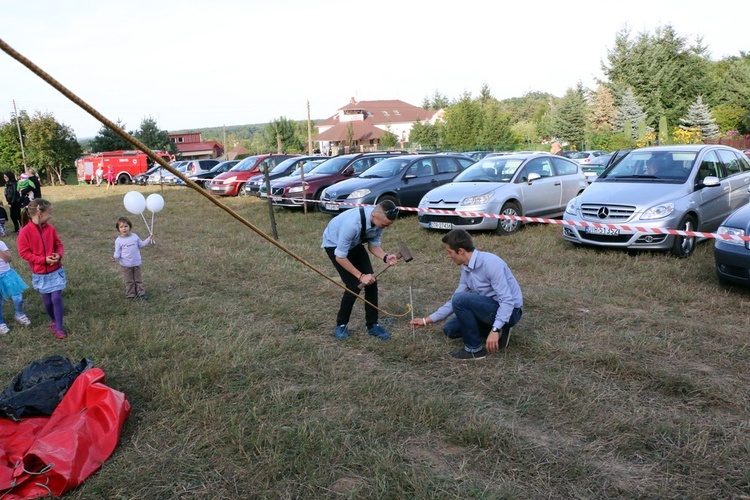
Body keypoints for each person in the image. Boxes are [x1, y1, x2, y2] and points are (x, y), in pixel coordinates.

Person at [409, 229, 523, 360]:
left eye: (449, 252)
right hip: (490, 308)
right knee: (450, 329)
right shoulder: (466, 267)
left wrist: (495, 329)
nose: (449, 256)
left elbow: (507, 301)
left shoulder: (491, 263)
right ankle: (499, 331)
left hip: (511, 312)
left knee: (461, 300)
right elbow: (454, 301)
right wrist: (426, 320)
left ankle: (474, 349)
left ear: (461, 251)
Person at [322, 200, 400, 340]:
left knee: (372, 282)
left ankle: (372, 325)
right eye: (385, 225)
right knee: (354, 286)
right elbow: (340, 257)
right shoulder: (352, 225)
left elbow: (373, 246)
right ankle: (341, 325)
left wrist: (386, 257)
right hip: (334, 245)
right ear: (374, 217)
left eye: (389, 225)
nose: (386, 228)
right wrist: (360, 276)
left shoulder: (379, 221)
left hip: (355, 244)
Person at [17, 199, 67, 339]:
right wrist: (43, 260)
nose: (50, 216)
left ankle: (59, 327)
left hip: (55, 271)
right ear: (39, 213)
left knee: (56, 298)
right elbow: (24, 253)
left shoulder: (50, 229)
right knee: (48, 302)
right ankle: (53, 320)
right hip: (40, 274)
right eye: (48, 213)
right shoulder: (25, 232)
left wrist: (58, 255)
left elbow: (59, 245)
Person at [112, 216, 153, 299]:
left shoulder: (134, 236)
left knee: (138, 280)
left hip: (136, 263)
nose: (124, 229)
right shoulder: (118, 240)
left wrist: (149, 239)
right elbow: (117, 253)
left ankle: (141, 293)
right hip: (126, 265)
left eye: (126, 226)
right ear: (118, 229)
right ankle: (130, 294)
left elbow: (141, 244)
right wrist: (114, 257)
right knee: (129, 281)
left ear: (130, 227)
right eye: (121, 227)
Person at [0, 238, 31, 334]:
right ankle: (0, 323)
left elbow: (8, 259)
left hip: (7, 275)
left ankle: (19, 314)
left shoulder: (1, 243)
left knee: (18, 298)